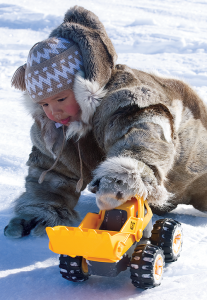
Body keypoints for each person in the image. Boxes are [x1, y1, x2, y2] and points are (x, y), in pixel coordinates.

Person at [4, 6, 207, 238]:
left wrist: (128, 172)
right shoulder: (55, 127)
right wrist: (42, 205)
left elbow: (144, 131)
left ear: (84, 85)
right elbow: (51, 169)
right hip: (155, 193)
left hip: (194, 159)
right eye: (44, 104)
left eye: (60, 98)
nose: (53, 111)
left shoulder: (124, 96)